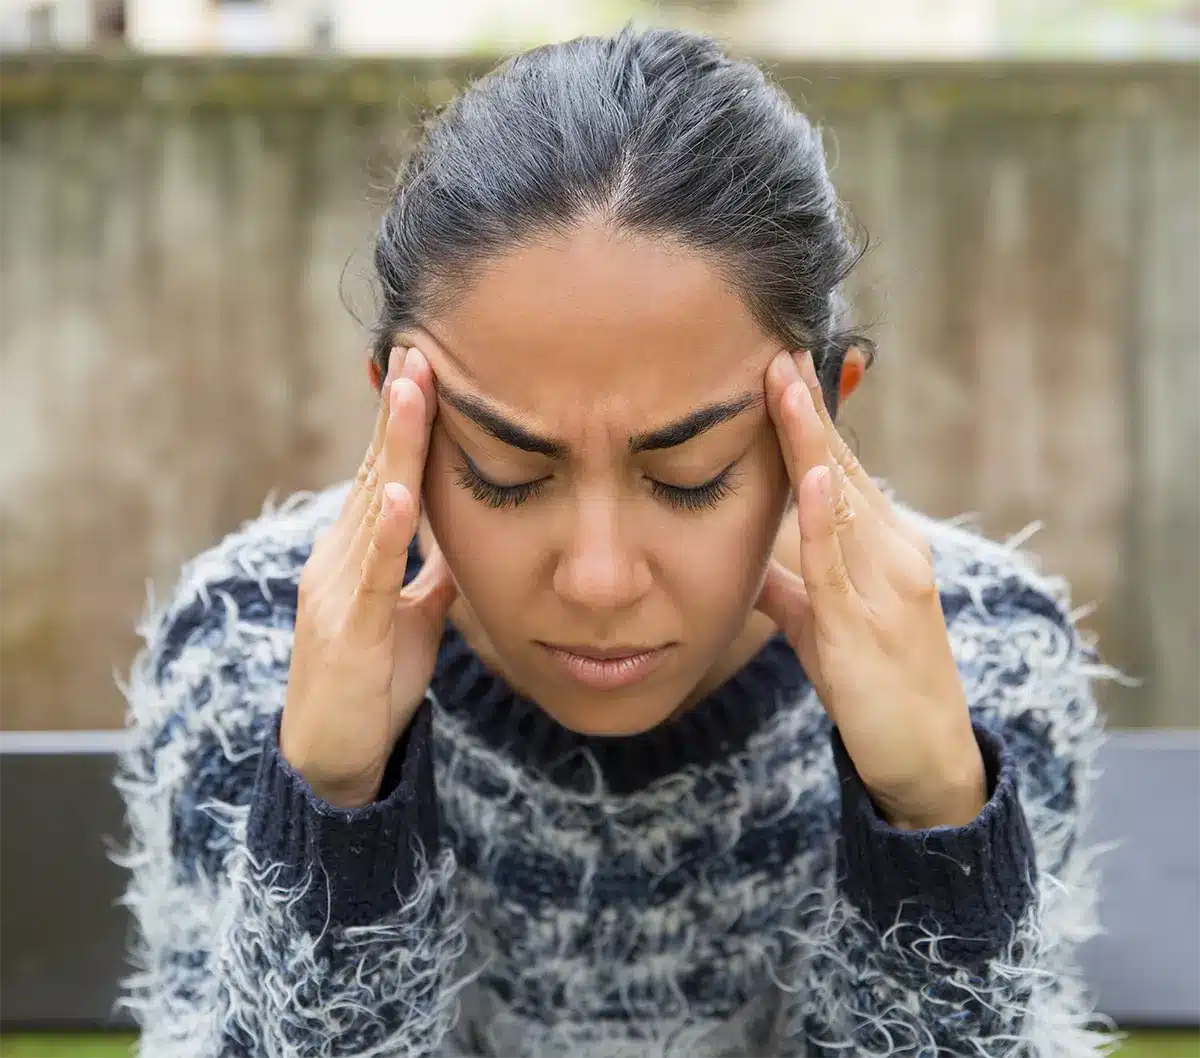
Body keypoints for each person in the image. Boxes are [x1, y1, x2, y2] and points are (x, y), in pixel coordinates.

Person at [115, 24, 1118, 1057]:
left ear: (824, 411)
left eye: (691, 475)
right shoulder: (250, 647)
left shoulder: (981, 652)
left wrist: (932, 814)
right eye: (506, 471)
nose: (598, 578)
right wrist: (329, 800)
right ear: (398, 428)